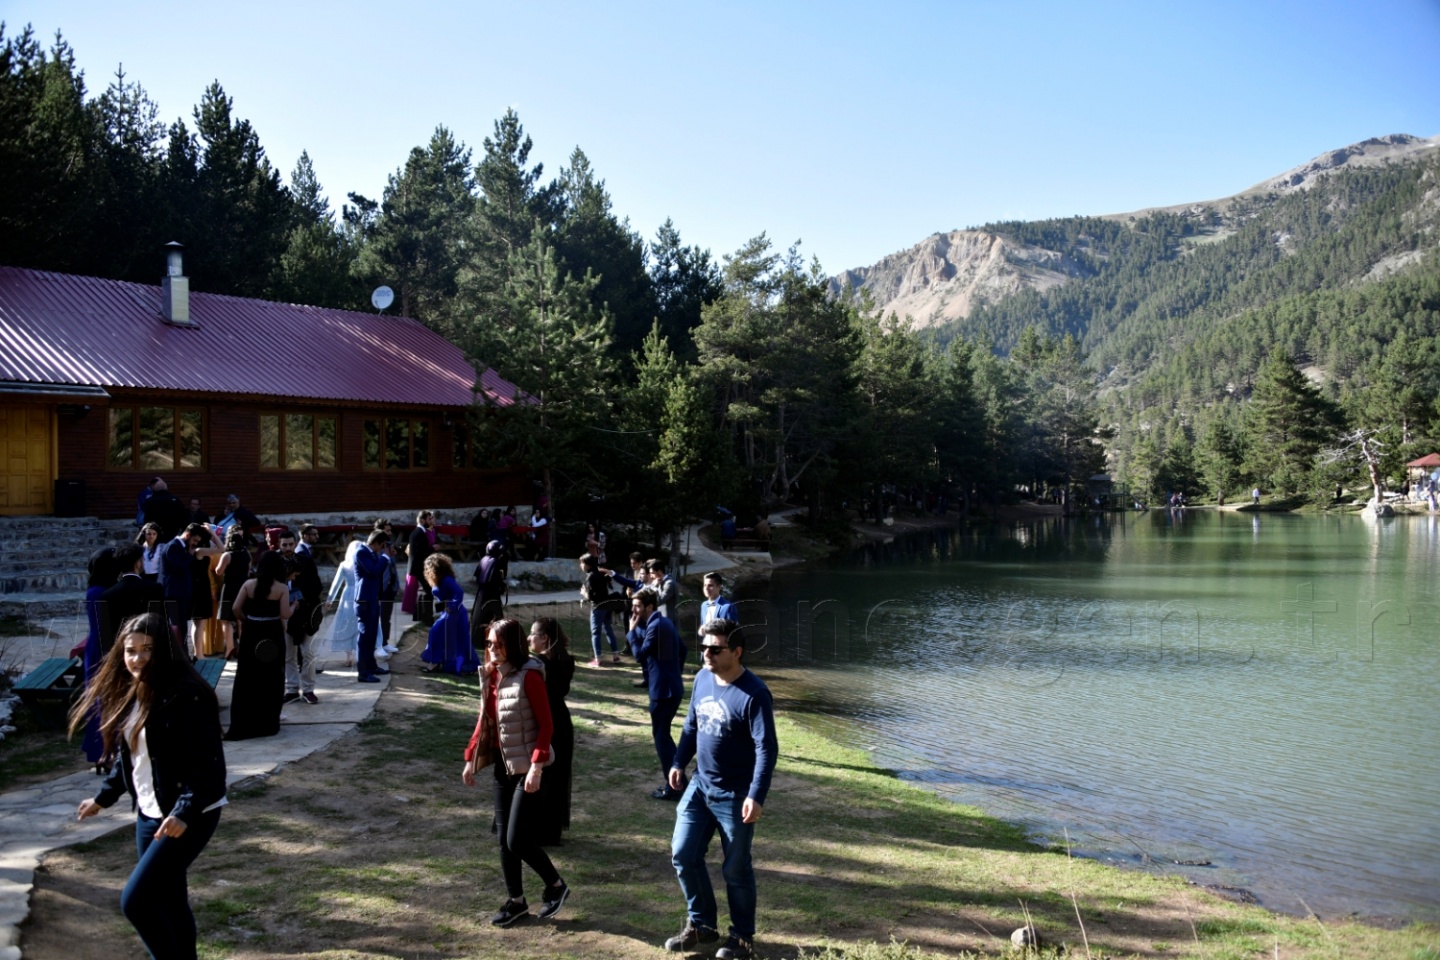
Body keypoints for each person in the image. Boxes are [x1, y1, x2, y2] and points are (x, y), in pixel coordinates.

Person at [70, 611, 226, 960]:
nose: (137, 658)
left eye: (147, 649)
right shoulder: (135, 690)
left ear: (165, 651)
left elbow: (209, 767)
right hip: (149, 813)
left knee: (136, 901)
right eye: (130, 650)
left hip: (191, 812)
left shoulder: (188, 694)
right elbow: (132, 758)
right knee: (170, 899)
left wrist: (184, 812)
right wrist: (102, 799)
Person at [663, 618, 777, 960]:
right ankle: (702, 926)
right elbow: (691, 725)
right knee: (683, 854)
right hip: (700, 786)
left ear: (737, 652)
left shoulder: (754, 693)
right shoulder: (701, 679)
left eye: (716, 648)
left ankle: (742, 937)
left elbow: (766, 748)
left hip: (736, 794)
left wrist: (756, 795)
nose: (706, 654)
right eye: (704, 647)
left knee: (736, 868)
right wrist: (678, 761)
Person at [462, 618, 569, 927]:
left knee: (516, 840)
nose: (492, 649)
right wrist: (471, 759)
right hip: (504, 767)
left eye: (498, 644)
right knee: (503, 841)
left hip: (532, 769)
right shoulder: (493, 675)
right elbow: (485, 720)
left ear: (513, 644)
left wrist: (536, 766)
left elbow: (546, 725)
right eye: (489, 644)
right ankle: (517, 901)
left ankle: (556, 885)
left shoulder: (530, 676)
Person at [628, 587, 687, 801]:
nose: (633, 609)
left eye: (637, 605)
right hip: (671, 688)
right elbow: (683, 650)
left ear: (649, 606)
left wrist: (632, 631)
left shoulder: (654, 625)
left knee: (661, 738)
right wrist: (673, 673)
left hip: (663, 692)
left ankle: (674, 787)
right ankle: (679, 783)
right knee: (664, 736)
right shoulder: (664, 622)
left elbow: (639, 655)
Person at [225, 550, 291, 740]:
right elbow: (285, 614)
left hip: (252, 631)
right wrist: (294, 607)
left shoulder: (248, 584)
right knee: (270, 676)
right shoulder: (281, 588)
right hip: (271, 632)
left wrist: (247, 620)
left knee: (248, 675)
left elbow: (236, 609)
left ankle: (244, 720)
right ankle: (267, 721)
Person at [529, 617, 574, 847]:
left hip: (543, 722)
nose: (529, 638)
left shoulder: (536, 664)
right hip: (561, 721)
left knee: (538, 774)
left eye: (533, 634)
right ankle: (550, 830)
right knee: (555, 776)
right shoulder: (566, 660)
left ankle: (533, 828)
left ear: (544, 638)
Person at [78, 546, 120, 764]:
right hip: (102, 650)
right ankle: (102, 749)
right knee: (100, 700)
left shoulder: (99, 589)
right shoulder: (99, 593)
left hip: (99, 645)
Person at [99, 543, 166, 658]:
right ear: (138, 563)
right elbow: (160, 624)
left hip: (121, 653)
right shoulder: (154, 589)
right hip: (149, 652)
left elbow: (106, 635)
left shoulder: (107, 595)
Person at [420, 553, 478, 674]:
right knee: (446, 638)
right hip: (447, 614)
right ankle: (436, 662)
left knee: (439, 634)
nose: (427, 570)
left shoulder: (446, 579)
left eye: (429, 567)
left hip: (454, 614)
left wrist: (451, 606)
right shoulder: (438, 580)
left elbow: (459, 593)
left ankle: (437, 663)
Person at [282, 532, 323, 705]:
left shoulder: (305, 561)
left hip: (306, 614)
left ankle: (308, 689)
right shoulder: (275, 563)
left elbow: (317, 587)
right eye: (284, 545)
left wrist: (304, 602)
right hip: (285, 615)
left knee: (308, 653)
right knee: (288, 654)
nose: (288, 548)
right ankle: (292, 689)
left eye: (291, 544)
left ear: (295, 543)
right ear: (279, 545)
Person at [159, 524, 206, 647]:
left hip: (181, 594)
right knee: (177, 627)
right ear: (188, 534)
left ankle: (183, 656)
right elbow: (179, 567)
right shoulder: (173, 546)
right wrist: (190, 556)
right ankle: (179, 657)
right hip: (174, 593)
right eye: (194, 540)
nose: (195, 544)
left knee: (182, 627)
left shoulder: (182, 546)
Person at [354, 529, 391, 683]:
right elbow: (373, 571)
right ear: (376, 543)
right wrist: (385, 557)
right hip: (364, 601)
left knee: (371, 636)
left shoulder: (372, 553)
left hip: (372, 599)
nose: (382, 549)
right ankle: (363, 673)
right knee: (364, 638)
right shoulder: (361, 552)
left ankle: (371, 666)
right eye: (382, 546)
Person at [214, 527, 250, 660]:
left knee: (226, 620)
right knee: (241, 620)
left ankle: (229, 648)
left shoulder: (227, 555)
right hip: (243, 589)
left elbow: (219, 571)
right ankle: (243, 649)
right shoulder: (246, 554)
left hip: (229, 589)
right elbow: (248, 570)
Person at [326, 537, 362, 669]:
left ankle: (349, 656)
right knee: (359, 625)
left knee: (347, 624)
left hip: (347, 595)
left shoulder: (344, 565)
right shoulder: (362, 564)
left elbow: (336, 584)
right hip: (360, 594)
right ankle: (359, 653)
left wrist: (330, 599)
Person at [580, 554, 621, 667]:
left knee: (595, 633)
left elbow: (590, 596)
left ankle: (597, 659)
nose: (581, 565)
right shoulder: (600, 573)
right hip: (607, 606)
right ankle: (616, 655)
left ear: (588, 564)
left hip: (598, 607)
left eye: (582, 563)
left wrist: (583, 593)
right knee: (608, 629)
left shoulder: (591, 576)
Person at [471, 539, 508, 643]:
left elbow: (479, 577)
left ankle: (477, 639)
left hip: (481, 594)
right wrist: (502, 586)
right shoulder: (495, 562)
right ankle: (494, 639)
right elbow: (495, 580)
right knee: (493, 616)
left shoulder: (484, 559)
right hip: (491, 594)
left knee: (479, 615)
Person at [402, 510, 435, 626]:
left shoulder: (419, 532)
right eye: (428, 519)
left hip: (418, 566)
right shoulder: (418, 533)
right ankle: (427, 618)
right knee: (428, 591)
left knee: (423, 591)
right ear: (422, 520)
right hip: (419, 566)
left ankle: (418, 615)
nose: (431, 522)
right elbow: (421, 551)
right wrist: (433, 548)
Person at [698, 572, 738, 638]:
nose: (706, 588)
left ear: (719, 587)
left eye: (710, 585)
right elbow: (703, 625)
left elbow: (733, 632)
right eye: (705, 585)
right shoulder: (704, 605)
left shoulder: (728, 607)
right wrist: (701, 631)